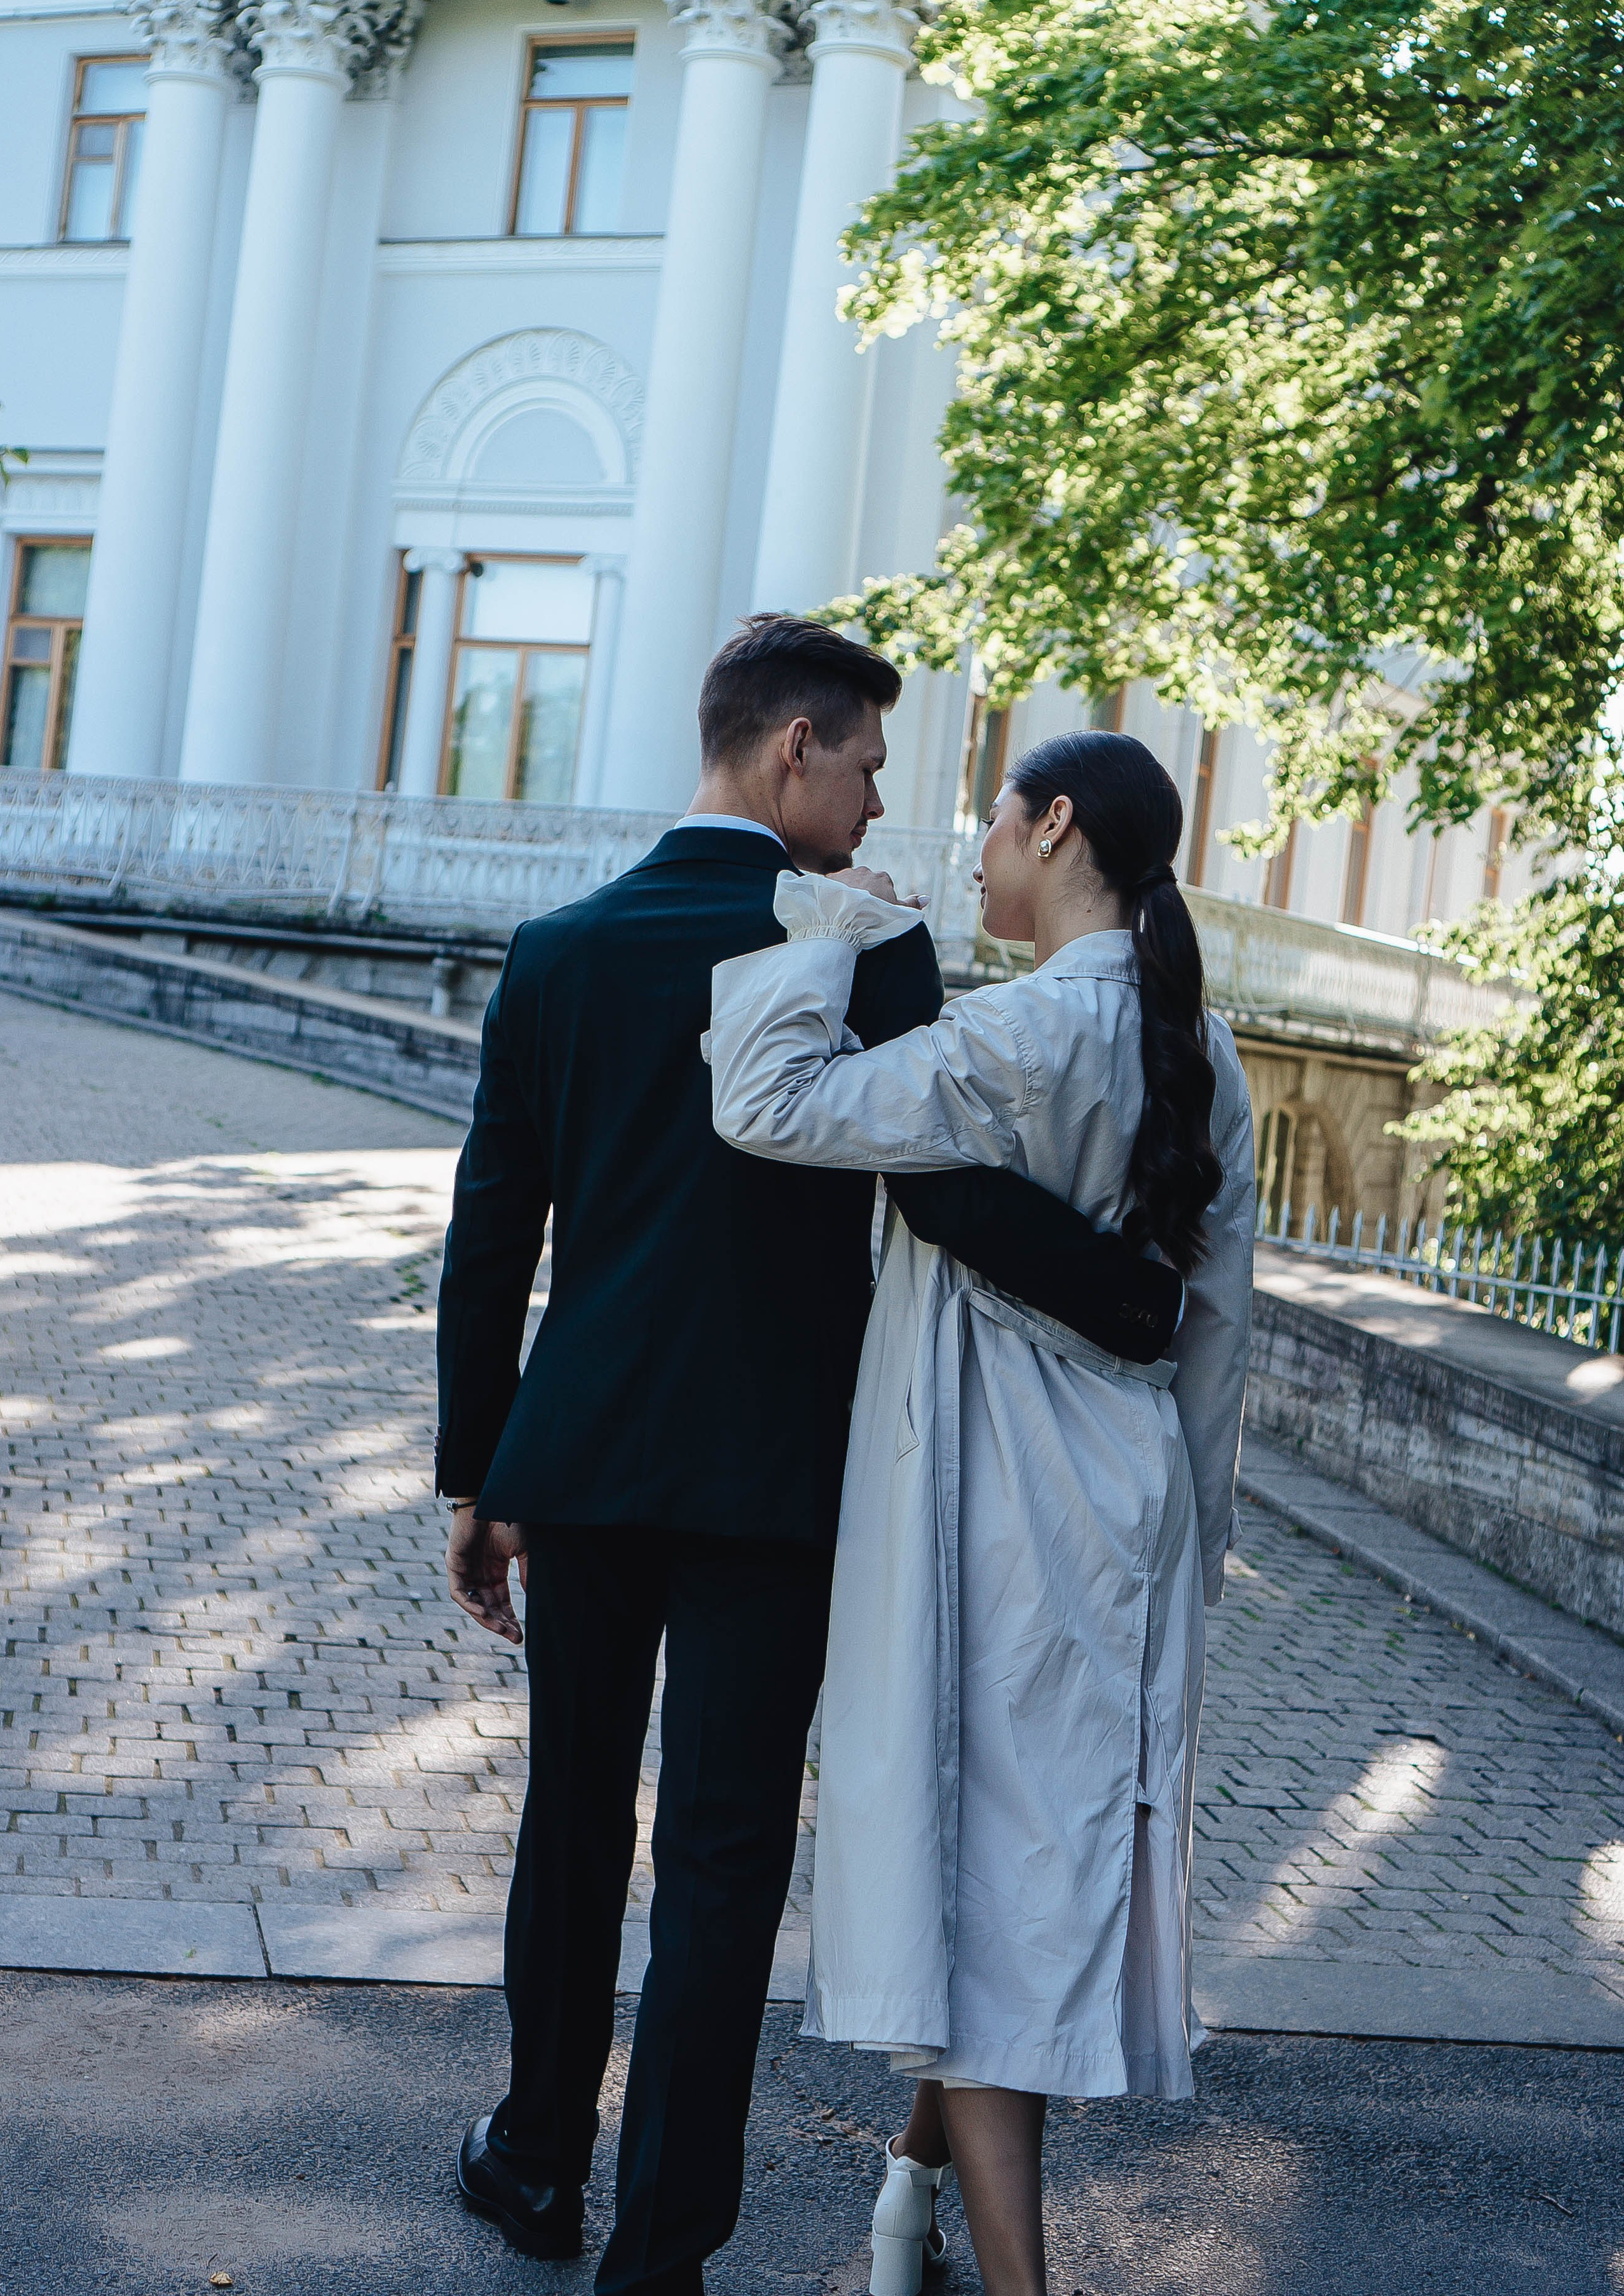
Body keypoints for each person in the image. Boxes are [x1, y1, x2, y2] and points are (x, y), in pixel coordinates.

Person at [432, 618, 1185, 2296]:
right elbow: (936, 1187)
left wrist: (477, 1477)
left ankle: (536, 2163)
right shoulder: (866, 948)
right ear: (789, 749)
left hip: (589, 1458)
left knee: (571, 1821)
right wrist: (1134, 1296)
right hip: (784, 1480)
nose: (873, 800)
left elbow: (491, 1240)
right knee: (720, 1862)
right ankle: (663, 2254)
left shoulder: (558, 951)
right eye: (860, 763)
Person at [707, 728, 1255, 2296]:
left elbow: (765, 1097)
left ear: (1056, 822)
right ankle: (903, 2204)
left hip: (993, 1492)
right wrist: (1190, 1543)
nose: (977, 845)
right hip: (1126, 1496)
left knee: (995, 1892)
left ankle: (1017, 2285)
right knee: (1025, 1858)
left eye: (997, 819)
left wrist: (830, 927)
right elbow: (1217, 1320)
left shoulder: (1013, 1039)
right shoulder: (1192, 1049)